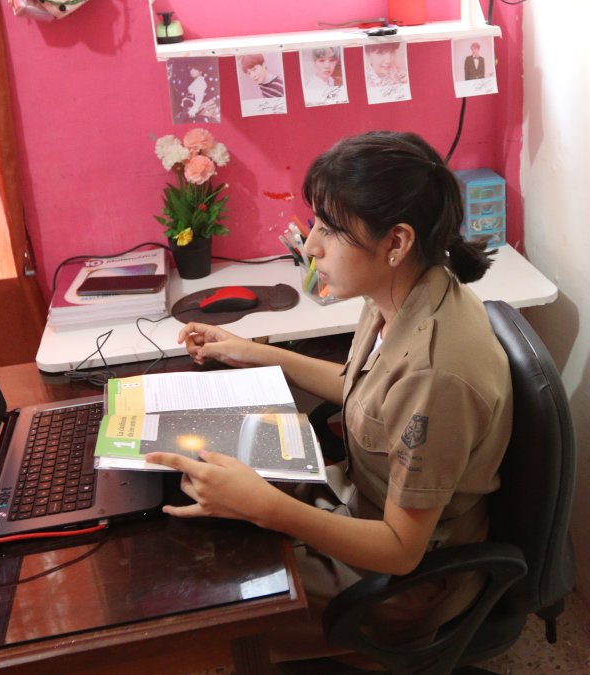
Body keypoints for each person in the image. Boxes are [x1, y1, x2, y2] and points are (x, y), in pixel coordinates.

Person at [146, 131, 512, 661]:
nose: (312, 245)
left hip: (399, 588)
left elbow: (401, 550)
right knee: (199, 497)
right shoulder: (401, 292)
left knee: (206, 598)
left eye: (330, 230)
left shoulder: (437, 375)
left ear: (397, 242)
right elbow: (364, 388)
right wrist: (250, 351)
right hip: (353, 505)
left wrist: (267, 507)